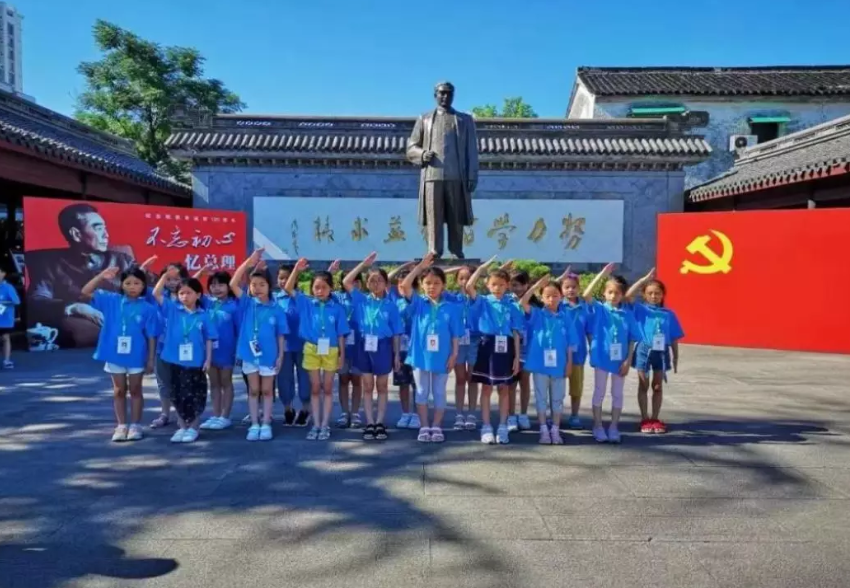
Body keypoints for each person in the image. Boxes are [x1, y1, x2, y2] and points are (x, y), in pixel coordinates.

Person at [26, 203, 140, 348]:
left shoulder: (122, 260)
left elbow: (146, 287)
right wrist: (76, 307)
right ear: (76, 234)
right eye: (98, 228)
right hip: (85, 331)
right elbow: (37, 300)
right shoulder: (50, 263)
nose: (106, 234)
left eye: (104, 228)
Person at [80, 266, 158, 442]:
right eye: (128, 283)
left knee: (136, 390)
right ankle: (121, 425)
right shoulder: (111, 300)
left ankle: (136, 425)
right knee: (119, 390)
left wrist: (151, 359)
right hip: (114, 354)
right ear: (121, 285)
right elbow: (85, 292)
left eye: (137, 283)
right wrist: (101, 276)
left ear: (143, 285)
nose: (132, 287)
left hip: (137, 355)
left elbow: (151, 336)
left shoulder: (148, 308)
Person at [406, 81, 479, 259]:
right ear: (435, 95)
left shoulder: (464, 120)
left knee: (456, 216)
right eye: (442, 93)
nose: (445, 96)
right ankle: (434, 250)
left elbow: (471, 150)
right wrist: (422, 154)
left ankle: (456, 250)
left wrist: (472, 175)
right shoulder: (424, 119)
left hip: (457, 176)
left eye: (449, 93)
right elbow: (411, 147)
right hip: (432, 175)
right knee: (434, 216)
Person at [398, 253, 462, 443]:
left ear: (443, 285)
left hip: (443, 356)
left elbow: (455, 334)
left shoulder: (451, 307)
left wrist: (454, 355)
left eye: (436, 283)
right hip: (420, 355)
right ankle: (424, 425)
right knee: (421, 391)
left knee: (439, 392)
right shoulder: (418, 303)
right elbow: (404, 286)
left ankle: (436, 425)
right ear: (422, 284)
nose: (432, 286)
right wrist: (420, 268)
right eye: (427, 283)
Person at [284, 258, 350, 441]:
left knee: (327, 388)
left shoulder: (337, 308)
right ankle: (316, 424)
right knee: (314, 388)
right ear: (311, 289)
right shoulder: (305, 303)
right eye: (316, 287)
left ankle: (325, 424)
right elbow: (288, 288)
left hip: (331, 350)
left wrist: (341, 356)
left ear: (331, 289)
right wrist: (296, 270)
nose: (320, 291)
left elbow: (341, 334)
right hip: (311, 349)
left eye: (324, 287)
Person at [342, 253, 403, 441]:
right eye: (371, 281)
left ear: (386, 284)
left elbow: (396, 332)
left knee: (382, 386)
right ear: (366, 284)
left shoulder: (391, 306)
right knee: (367, 386)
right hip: (364, 345)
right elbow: (346, 281)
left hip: (383, 346)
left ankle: (380, 422)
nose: (375, 284)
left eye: (379, 281)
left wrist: (396, 355)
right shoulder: (361, 300)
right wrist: (363, 265)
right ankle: (369, 422)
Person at [152, 269, 217, 444]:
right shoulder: (173, 309)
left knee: (194, 395)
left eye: (189, 293)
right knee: (177, 394)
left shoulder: (204, 315)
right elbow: (156, 293)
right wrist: (165, 276)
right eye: (181, 293)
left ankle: (194, 427)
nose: (185, 296)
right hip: (174, 360)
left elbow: (209, 338)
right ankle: (182, 426)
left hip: (196, 362)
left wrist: (208, 359)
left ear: (198, 295)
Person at [465, 257, 524, 445]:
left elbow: (516, 332)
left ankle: (503, 426)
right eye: (493, 284)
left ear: (507, 285)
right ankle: (486, 426)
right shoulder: (483, 301)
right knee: (486, 387)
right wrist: (482, 268)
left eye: (501, 284)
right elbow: (469, 286)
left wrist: (516, 357)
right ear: (488, 285)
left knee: (504, 388)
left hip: (507, 347)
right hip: (487, 345)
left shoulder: (513, 305)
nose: (497, 288)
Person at [230, 251, 288, 442]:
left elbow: (281, 335)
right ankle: (254, 424)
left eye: (262, 284)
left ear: (269, 286)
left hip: (269, 356)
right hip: (249, 354)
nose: (257, 288)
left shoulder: (276, 308)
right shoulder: (247, 303)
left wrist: (280, 356)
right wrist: (249, 262)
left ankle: (266, 423)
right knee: (253, 390)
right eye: (254, 284)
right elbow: (233, 283)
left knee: (267, 391)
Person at [582, 263, 641, 444]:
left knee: (617, 393)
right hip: (602, 357)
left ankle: (614, 426)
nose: (613, 296)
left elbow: (632, 339)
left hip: (620, 361)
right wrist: (602, 274)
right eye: (610, 292)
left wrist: (628, 360)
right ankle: (598, 425)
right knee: (599, 391)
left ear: (622, 295)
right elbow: (586, 295)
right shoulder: (600, 309)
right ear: (604, 294)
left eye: (617, 293)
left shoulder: (627, 314)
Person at [518, 276, 577, 445]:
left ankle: (555, 430)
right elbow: (523, 302)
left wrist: (569, 363)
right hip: (540, 364)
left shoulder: (565, 317)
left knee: (558, 398)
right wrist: (537, 285)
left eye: (555, 295)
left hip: (559, 364)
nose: (551, 299)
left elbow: (571, 343)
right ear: (542, 298)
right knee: (541, 397)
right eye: (547, 296)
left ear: (561, 297)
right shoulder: (537, 314)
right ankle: (543, 429)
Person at [626, 269, 684, 434]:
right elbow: (628, 296)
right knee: (643, 384)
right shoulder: (640, 309)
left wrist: (675, 357)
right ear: (644, 295)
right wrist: (643, 280)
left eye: (657, 293)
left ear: (663, 295)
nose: (654, 296)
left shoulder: (669, 314)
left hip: (661, 351)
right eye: (650, 293)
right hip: (644, 350)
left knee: (657, 386)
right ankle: (644, 418)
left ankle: (655, 418)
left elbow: (674, 337)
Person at [199, 271, 240, 431]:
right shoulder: (207, 303)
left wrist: (238, 351)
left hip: (227, 350)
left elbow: (239, 330)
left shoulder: (234, 306)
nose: (216, 288)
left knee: (226, 381)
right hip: (209, 351)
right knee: (214, 383)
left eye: (221, 284)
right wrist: (201, 272)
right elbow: (189, 286)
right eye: (213, 285)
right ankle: (216, 415)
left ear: (228, 286)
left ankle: (225, 416)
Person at [149, 263, 189, 429]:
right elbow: (155, 292)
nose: (172, 283)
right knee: (163, 383)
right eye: (168, 279)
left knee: (182, 383)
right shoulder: (161, 296)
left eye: (176, 279)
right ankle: (165, 414)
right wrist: (165, 275)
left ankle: (183, 414)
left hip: (182, 349)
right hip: (162, 347)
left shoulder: (186, 297)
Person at [274, 264, 312, 427]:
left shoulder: (302, 298)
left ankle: (305, 409)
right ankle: (288, 409)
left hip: (303, 345)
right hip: (283, 347)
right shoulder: (274, 299)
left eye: (287, 277)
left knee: (305, 379)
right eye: (281, 277)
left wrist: (296, 269)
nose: (283, 281)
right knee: (284, 380)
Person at [447, 265, 480, 431]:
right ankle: (459, 414)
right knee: (460, 378)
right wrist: (451, 270)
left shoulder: (478, 298)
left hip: (475, 340)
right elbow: (435, 279)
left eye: (468, 278)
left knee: (473, 378)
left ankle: (472, 413)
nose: (465, 281)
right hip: (458, 341)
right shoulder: (452, 298)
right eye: (461, 278)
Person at [506, 269, 539, 432]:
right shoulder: (506, 301)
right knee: (511, 383)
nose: (517, 288)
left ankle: (523, 414)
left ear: (527, 285)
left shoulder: (535, 305)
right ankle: (511, 416)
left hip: (528, 349)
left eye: (520, 285)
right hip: (510, 348)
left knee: (525, 381)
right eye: (513, 285)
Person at [389, 267, 421, 431]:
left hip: (416, 348)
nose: (401, 287)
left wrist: (417, 269)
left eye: (405, 284)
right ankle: (405, 413)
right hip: (399, 348)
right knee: (403, 383)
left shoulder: (418, 299)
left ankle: (417, 414)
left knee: (416, 383)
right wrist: (406, 265)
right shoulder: (395, 299)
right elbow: (388, 278)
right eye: (399, 284)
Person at [559, 270, 590, 429]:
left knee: (576, 388)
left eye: (573, 287)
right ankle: (556, 415)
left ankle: (575, 415)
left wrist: (593, 348)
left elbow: (589, 330)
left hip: (578, 354)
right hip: (559, 353)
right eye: (566, 287)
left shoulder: (584, 307)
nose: (570, 290)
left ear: (579, 288)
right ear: (561, 289)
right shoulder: (558, 305)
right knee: (557, 387)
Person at [334, 269, 364, 429]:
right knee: (343, 379)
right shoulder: (337, 297)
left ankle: (356, 413)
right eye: (351, 281)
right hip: (341, 345)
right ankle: (344, 412)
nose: (354, 284)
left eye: (357, 281)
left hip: (359, 345)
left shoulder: (363, 298)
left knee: (357, 380)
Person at [0, 267, 20, 369]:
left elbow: (16, 301)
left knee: (5, 338)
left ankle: (6, 360)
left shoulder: (8, 287)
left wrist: (3, 302)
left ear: (3, 274)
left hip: (5, 318)